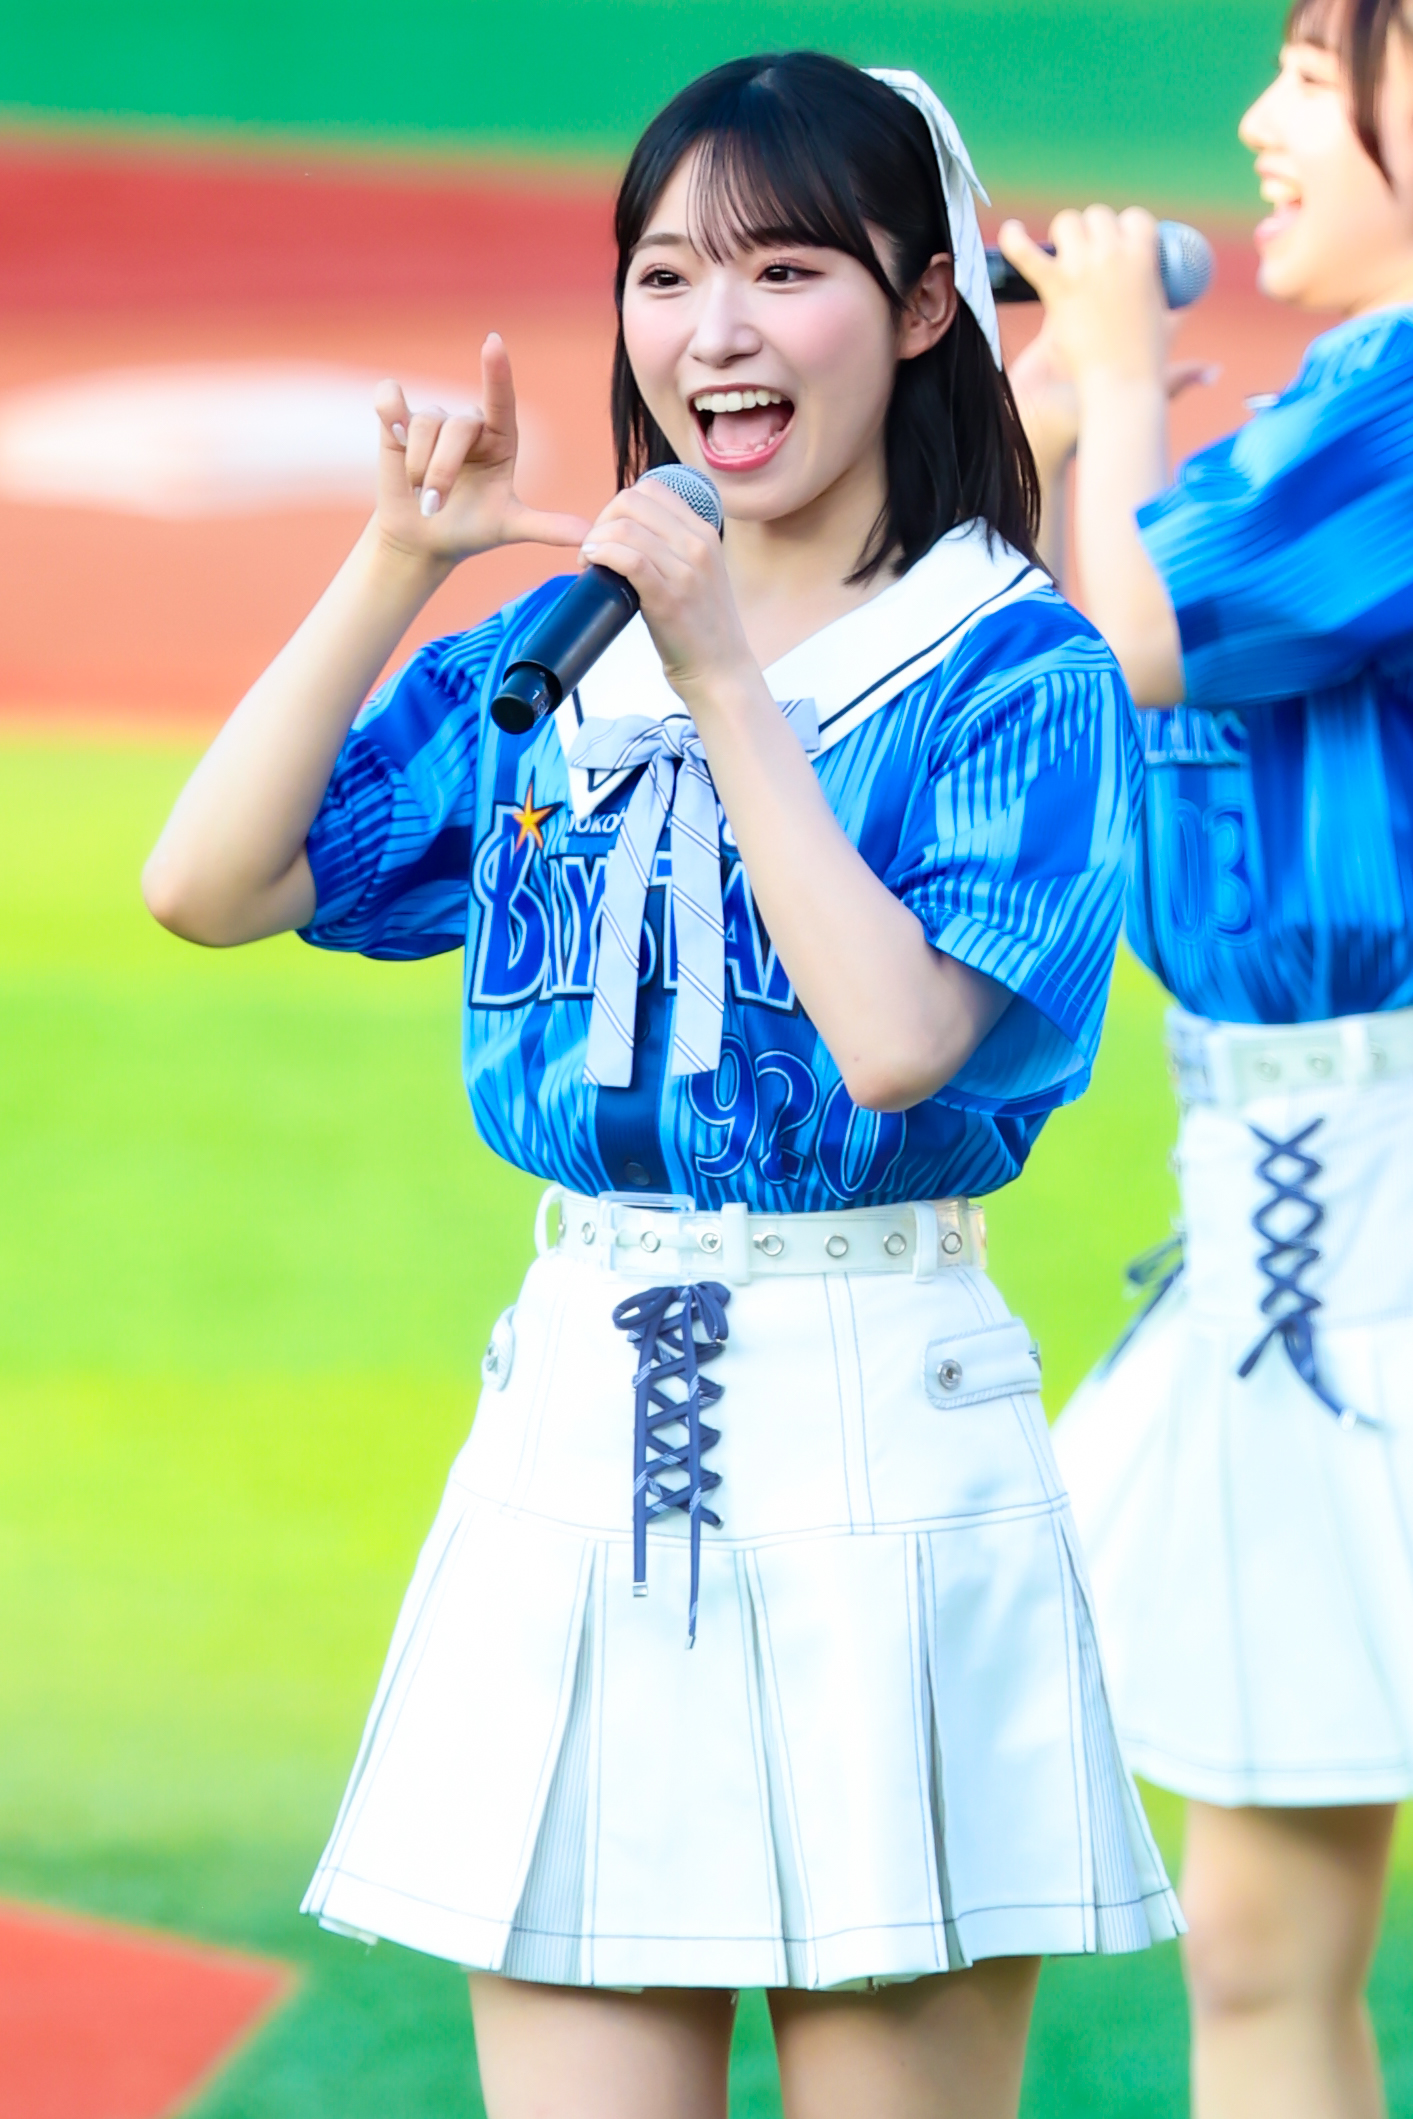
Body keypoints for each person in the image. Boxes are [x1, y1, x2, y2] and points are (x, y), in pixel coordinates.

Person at [144, 52, 1178, 2119]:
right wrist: (396, 560)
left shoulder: (1014, 667)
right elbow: (211, 881)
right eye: (664, 274)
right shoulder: (561, 647)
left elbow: (896, 1041)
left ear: (920, 304)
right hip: (576, 1427)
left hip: (882, 1431)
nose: (713, 331)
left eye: (784, 272)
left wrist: (717, 671)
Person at [1000, 2, 1413, 2113]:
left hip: (1369, 1200)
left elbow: (1128, 639)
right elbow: (1043, 666)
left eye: (1316, 71)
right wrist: (1050, 436)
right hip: (1284, 1200)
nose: (1258, 119)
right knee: (1254, 1943)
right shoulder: (1344, 396)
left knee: (1259, 1935)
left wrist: (1104, 390)